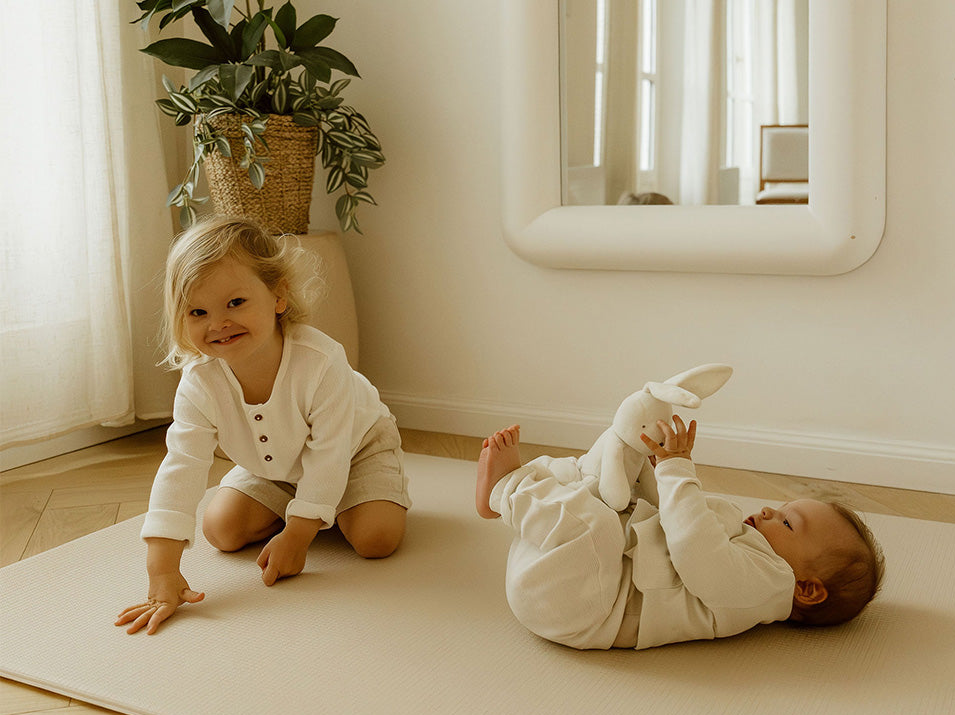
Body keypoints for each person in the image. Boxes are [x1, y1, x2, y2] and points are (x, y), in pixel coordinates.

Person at [117, 216, 410, 635]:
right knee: (221, 530)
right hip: (275, 466)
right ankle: (310, 503)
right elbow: (181, 465)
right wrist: (162, 570)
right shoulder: (200, 382)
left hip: (356, 448)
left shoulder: (321, 361)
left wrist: (299, 534)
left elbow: (329, 452)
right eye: (198, 312)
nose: (218, 323)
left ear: (278, 296)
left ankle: (337, 503)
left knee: (375, 539)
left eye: (235, 303)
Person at [475, 417, 884, 649]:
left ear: (807, 589)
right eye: (781, 508)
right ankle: (537, 486)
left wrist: (676, 470)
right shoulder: (752, 551)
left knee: (594, 525)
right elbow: (671, 515)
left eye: (788, 523)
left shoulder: (768, 585)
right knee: (608, 481)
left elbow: (692, 550)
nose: (768, 511)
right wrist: (655, 465)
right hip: (569, 571)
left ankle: (506, 489)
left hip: (577, 607)